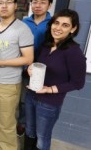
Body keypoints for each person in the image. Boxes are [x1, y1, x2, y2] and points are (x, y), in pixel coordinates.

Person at [24, 9, 86, 150]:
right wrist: (29, 69)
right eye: (56, 23)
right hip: (31, 96)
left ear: (73, 29)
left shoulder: (73, 52)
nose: (58, 28)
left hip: (49, 104)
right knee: (29, 132)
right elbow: (34, 63)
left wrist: (50, 89)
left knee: (42, 138)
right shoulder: (46, 45)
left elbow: (78, 83)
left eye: (65, 25)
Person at [0, 0, 34, 150]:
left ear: (15, 5)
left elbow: (28, 58)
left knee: (7, 120)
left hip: (9, 84)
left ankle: (8, 147)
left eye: (8, 2)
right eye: (0, 3)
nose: (4, 6)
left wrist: (1, 62)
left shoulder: (22, 29)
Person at [17, 0, 54, 137]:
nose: (38, 5)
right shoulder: (23, 22)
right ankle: (22, 123)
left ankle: (36, 127)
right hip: (26, 66)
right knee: (25, 98)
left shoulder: (53, 23)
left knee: (41, 99)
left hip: (46, 68)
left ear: (49, 5)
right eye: (35, 2)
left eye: (43, 3)